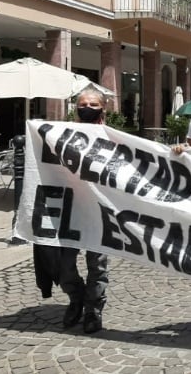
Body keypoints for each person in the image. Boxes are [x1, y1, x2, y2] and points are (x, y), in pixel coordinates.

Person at [60, 87, 110, 334]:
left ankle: (93, 309)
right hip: (69, 208)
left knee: (97, 264)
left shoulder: (113, 137)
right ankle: (76, 297)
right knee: (62, 263)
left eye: (93, 105)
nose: (87, 108)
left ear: (103, 108)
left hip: (99, 210)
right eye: (83, 104)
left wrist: (178, 151)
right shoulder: (63, 134)